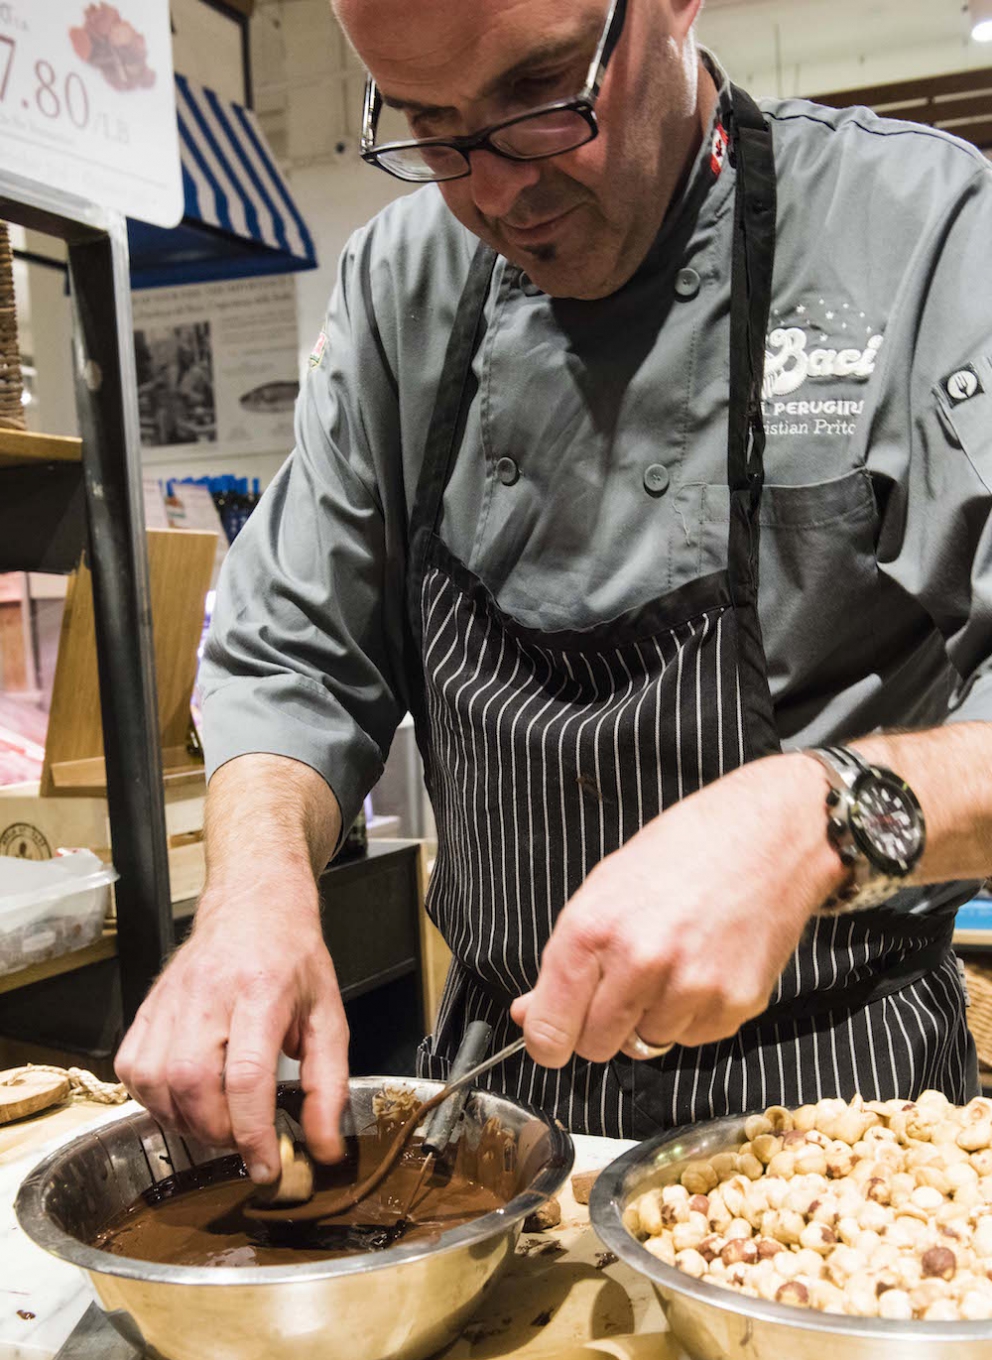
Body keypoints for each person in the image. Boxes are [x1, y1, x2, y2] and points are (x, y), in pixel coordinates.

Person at [117, 0, 992, 1186]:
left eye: (538, 98)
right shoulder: (401, 285)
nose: (494, 192)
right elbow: (292, 657)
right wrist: (253, 892)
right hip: (493, 1106)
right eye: (431, 131)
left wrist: (817, 818)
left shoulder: (920, 236)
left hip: (835, 1122)